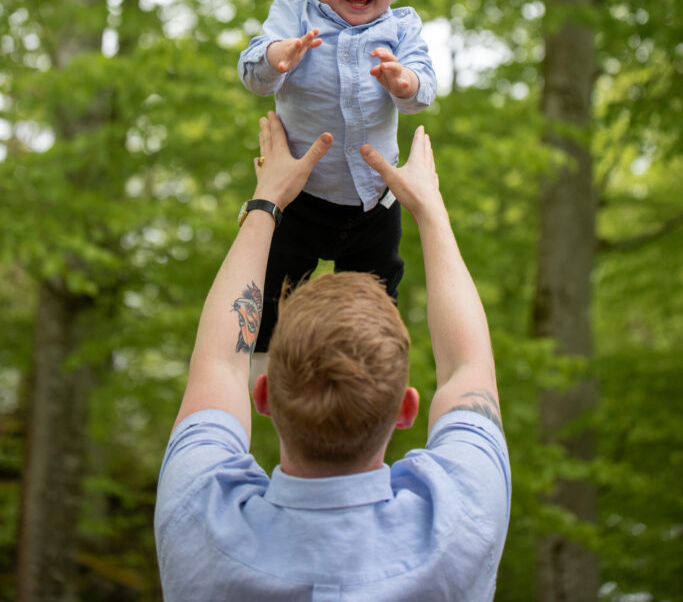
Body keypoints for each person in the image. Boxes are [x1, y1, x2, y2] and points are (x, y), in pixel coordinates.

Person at [155, 112, 511, 601]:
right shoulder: (463, 522)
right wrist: (430, 211)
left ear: (265, 395)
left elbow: (220, 361)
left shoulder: (196, 515)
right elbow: (468, 368)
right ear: (407, 408)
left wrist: (266, 203)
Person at [238, 0, 437, 360]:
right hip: (300, 197)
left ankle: (370, 371)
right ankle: (265, 367)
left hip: (374, 202)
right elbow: (252, 73)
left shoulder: (402, 29)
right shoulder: (293, 15)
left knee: (377, 293)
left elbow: (423, 90)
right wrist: (275, 57)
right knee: (274, 286)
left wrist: (403, 82)